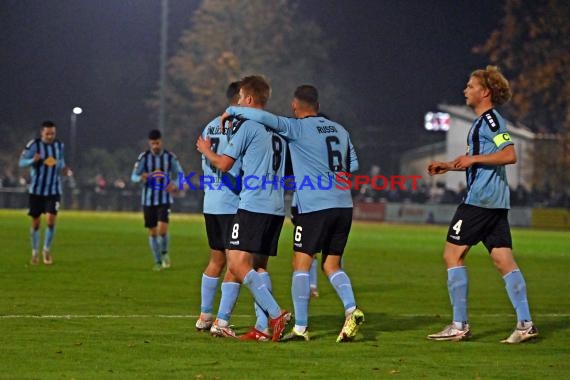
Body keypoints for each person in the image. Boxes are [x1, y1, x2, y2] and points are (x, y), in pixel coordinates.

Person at [221, 85, 364, 342]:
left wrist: (232, 109)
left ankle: (300, 327)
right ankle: (352, 309)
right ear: (318, 106)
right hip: (343, 204)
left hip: (314, 206)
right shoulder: (341, 130)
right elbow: (352, 165)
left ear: (295, 107)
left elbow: (263, 117)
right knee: (332, 264)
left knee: (301, 264)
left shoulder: (296, 127)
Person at [426, 65, 538, 344]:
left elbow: (509, 154)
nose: (466, 90)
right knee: (503, 260)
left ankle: (459, 324)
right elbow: (473, 160)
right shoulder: (480, 124)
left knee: (452, 255)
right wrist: (448, 166)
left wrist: (473, 160)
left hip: (480, 200)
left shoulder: (491, 121)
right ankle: (525, 324)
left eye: (471, 86)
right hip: (495, 202)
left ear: (485, 92)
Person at [196, 75, 290, 342]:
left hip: (252, 204)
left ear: (247, 99)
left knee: (235, 263)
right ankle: (261, 328)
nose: (236, 104)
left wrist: (205, 150)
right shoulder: (280, 131)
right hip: (275, 205)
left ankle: (274, 313)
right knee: (259, 266)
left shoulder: (246, 127)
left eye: (239, 99)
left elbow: (225, 165)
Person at [195, 81, 243, 338]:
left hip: (211, 202)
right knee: (235, 264)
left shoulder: (210, 125)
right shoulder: (239, 125)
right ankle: (221, 321)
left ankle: (204, 316)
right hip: (231, 202)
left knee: (216, 260)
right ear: (241, 97)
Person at [19, 120, 72, 265]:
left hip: (53, 190)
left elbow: (60, 161)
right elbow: (21, 162)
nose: (50, 136)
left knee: (50, 220)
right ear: (42, 132)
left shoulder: (59, 145)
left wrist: (64, 169)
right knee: (36, 223)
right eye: (47, 133)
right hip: (36, 190)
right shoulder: (34, 145)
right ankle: (35, 251)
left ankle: (46, 250)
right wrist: (32, 160)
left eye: (52, 133)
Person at [131, 129, 184, 271]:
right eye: (153, 143)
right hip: (148, 200)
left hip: (164, 199)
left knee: (162, 230)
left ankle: (165, 254)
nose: (155, 146)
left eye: (157, 143)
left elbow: (180, 175)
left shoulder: (169, 157)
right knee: (153, 232)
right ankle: (158, 261)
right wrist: (143, 176)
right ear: (149, 143)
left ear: (161, 141)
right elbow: (134, 176)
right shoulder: (144, 157)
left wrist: (174, 185)